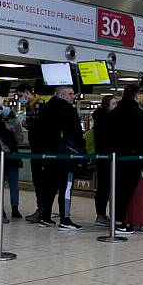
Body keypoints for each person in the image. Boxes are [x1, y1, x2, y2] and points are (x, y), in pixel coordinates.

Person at [37, 85, 84, 231]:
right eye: (70, 93)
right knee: (66, 187)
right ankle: (65, 219)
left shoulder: (44, 108)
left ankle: (45, 217)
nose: (73, 96)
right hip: (66, 155)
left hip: (49, 155)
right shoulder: (68, 109)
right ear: (62, 95)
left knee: (49, 186)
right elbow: (76, 132)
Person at [107, 85, 143, 234]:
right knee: (127, 191)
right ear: (137, 95)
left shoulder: (114, 113)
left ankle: (115, 220)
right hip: (132, 158)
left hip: (115, 158)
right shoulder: (139, 114)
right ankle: (121, 223)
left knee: (117, 189)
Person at [16, 83, 46, 223]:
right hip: (35, 148)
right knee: (37, 181)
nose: (20, 98)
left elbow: (42, 126)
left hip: (41, 149)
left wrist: (29, 125)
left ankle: (43, 210)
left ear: (28, 92)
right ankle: (41, 209)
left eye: (21, 95)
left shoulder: (40, 105)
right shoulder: (29, 107)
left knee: (41, 181)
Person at [92, 95, 117, 227]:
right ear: (107, 105)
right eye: (113, 104)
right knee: (104, 187)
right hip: (104, 157)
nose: (115, 106)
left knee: (107, 186)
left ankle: (104, 214)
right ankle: (100, 215)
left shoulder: (102, 118)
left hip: (107, 156)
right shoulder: (104, 120)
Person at [3, 106, 24, 219]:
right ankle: (0, 208)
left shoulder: (15, 122)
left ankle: (15, 208)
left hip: (13, 155)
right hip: (0, 155)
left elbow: (21, 139)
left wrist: (14, 134)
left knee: (14, 184)